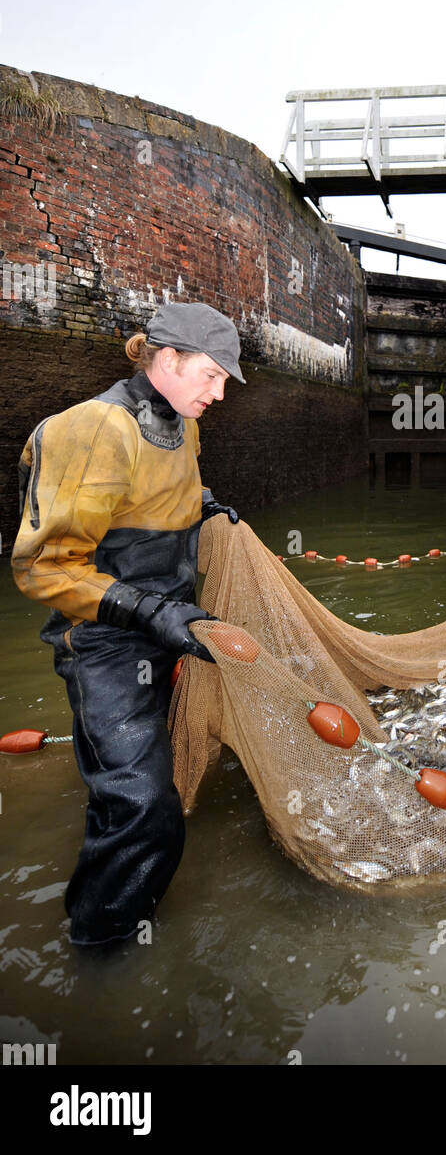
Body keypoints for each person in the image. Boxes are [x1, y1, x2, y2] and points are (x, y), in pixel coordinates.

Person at [11, 302, 244, 948]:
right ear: (166, 359)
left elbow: (168, 494)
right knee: (143, 807)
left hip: (168, 622)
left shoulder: (182, 423)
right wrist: (150, 611)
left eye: (225, 380)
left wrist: (207, 507)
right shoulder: (92, 430)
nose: (219, 393)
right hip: (105, 640)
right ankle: (100, 946)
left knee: (154, 763)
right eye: (212, 376)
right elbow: (42, 569)